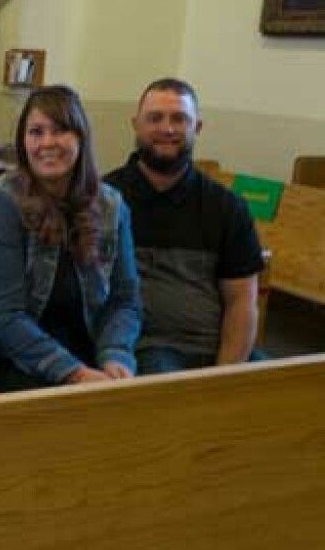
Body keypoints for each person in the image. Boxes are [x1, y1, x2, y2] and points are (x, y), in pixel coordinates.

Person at [0, 85, 141, 392]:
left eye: (60, 130)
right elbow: (3, 317)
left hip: (89, 357)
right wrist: (74, 374)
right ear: (23, 143)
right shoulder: (0, 206)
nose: (47, 143)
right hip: (14, 361)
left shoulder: (111, 205)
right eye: (36, 132)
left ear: (80, 138)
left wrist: (116, 356)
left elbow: (124, 299)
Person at [105, 78, 264, 374]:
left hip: (217, 347)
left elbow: (242, 302)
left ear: (197, 128)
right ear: (135, 125)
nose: (167, 129)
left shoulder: (228, 207)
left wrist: (225, 374)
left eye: (180, 119)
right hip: (147, 346)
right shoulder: (103, 199)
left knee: (293, 393)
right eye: (155, 118)